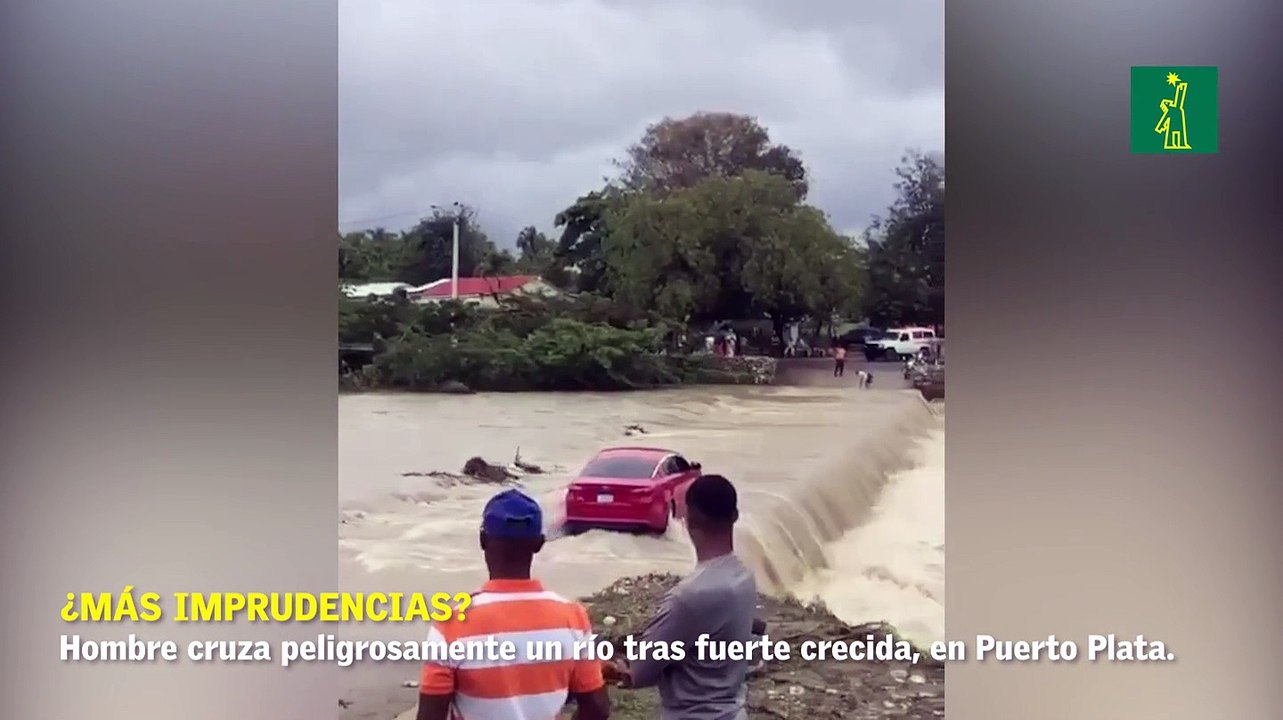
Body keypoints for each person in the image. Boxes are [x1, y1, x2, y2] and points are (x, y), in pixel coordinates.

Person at [417, 489, 610, 720]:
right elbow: (597, 708)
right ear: (539, 544)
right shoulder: (573, 618)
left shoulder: (451, 624)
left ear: (482, 540)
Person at [608, 474, 757, 720]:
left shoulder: (689, 596)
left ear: (688, 518)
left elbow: (639, 672)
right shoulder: (745, 580)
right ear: (735, 516)